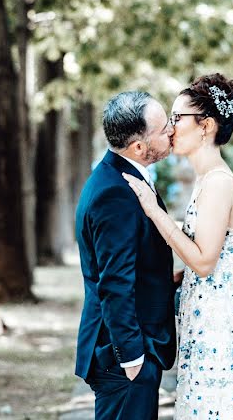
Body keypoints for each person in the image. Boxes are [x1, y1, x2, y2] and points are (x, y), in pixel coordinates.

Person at [123, 73, 233, 419]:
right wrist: (187, 276)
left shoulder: (218, 183)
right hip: (207, 320)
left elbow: (205, 262)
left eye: (177, 118)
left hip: (216, 330)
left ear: (205, 126)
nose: (170, 128)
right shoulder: (210, 179)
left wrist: (155, 212)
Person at [74, 91, 178, 419]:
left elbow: (134, 262)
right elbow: (114, 282)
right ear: (138, 147)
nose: (172, 131)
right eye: (163, 129)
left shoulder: (123, 177)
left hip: (128, 348)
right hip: (122, 355)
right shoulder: (114, 194)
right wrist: (132, 358)